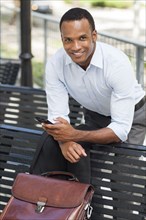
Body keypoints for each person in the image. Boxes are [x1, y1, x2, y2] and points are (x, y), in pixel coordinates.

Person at [30, 7, 146, 183]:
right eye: (68, 40)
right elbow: (57, 116)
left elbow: (120, 130)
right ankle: (86, 210)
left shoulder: (116, 63)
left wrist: (72, 135)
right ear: (61, 39)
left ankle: (131, 209)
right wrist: (65, 142)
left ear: (94, 36)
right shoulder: (56, 64)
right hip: (95, 115)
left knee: (122, 178)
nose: (75, 47)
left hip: (133, 117)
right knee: (90, 170)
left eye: (82, 38)